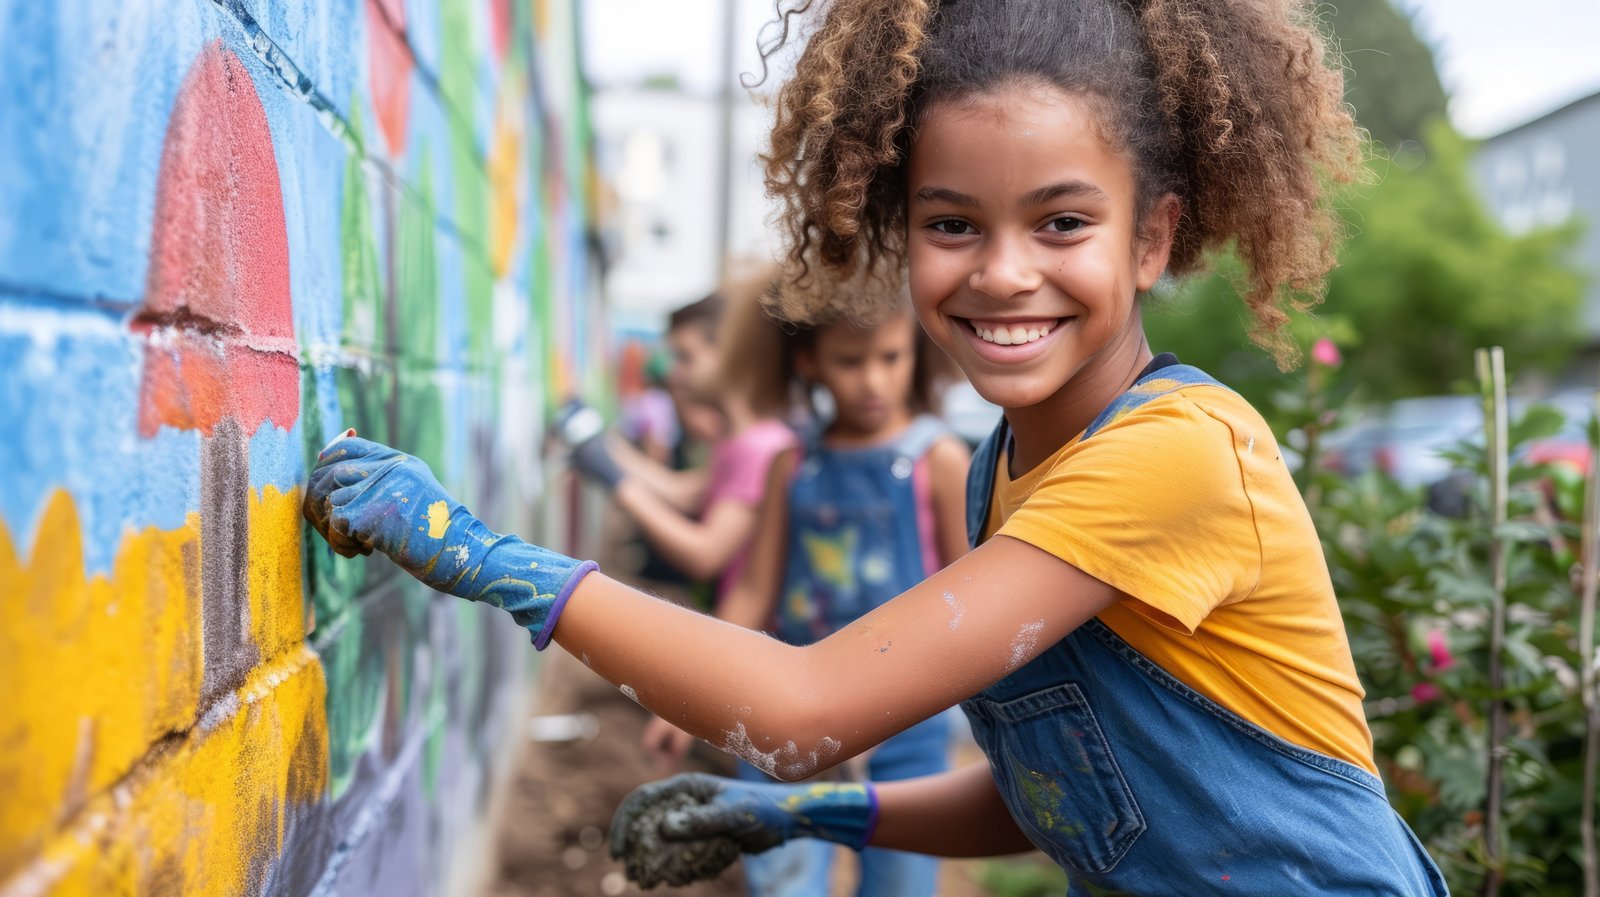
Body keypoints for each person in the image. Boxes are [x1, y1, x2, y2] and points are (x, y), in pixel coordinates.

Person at [302, 0, 1450, 892]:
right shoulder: (1008, 470)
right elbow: (1065, 789)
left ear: (1151, 236)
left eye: (1062, 221)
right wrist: (815, 818)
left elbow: (800, 713)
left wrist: (479, 554)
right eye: (952, 224)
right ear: (901, 240)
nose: (1002, 271)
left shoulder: (1173, 456)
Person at [643, 294, 970, 896]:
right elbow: (754, 592)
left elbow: (974, 603)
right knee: (782, 880)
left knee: (900, 883)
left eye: (890, 357)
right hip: (788, 716)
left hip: (907, 725)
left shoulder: (940, 461)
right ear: (809, 361)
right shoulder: (790, 464)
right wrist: (687, 695)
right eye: (850, 361)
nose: (874, 379)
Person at [563, 274, 797, 609]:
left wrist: (618, 483)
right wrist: (607, 450)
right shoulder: (739, 440)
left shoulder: (761, 447)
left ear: (729, 353)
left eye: (686, 357)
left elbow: (705, 553)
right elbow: (688, 493)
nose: (675, 373)